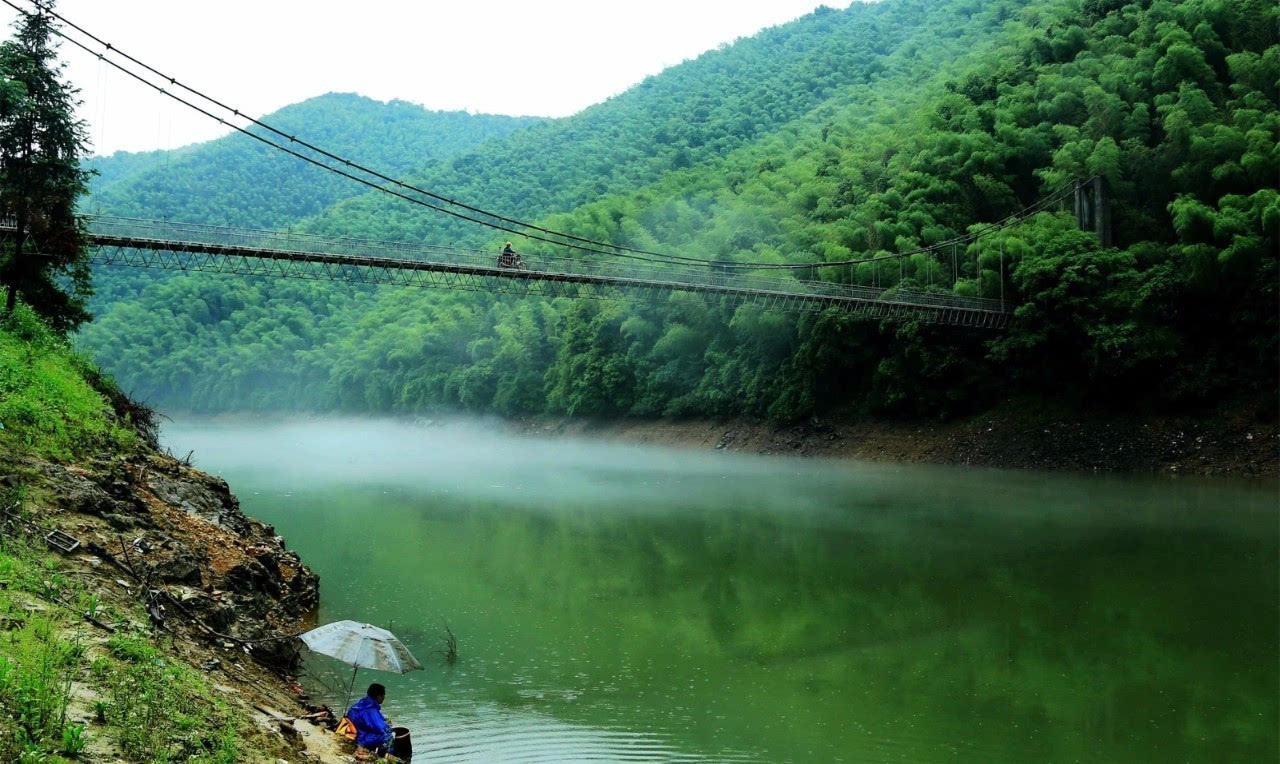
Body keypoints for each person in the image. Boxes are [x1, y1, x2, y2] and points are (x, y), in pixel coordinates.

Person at [346, 683, 394, 757]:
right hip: (361, 738)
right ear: (378, 696)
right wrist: (388, 725)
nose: (384, 697)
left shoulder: (360, 703)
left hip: (353, 733)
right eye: (383, 695)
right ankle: (385, 756)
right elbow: (381, 729)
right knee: (388, 737)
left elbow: (370, 722)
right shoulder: (370, 709)